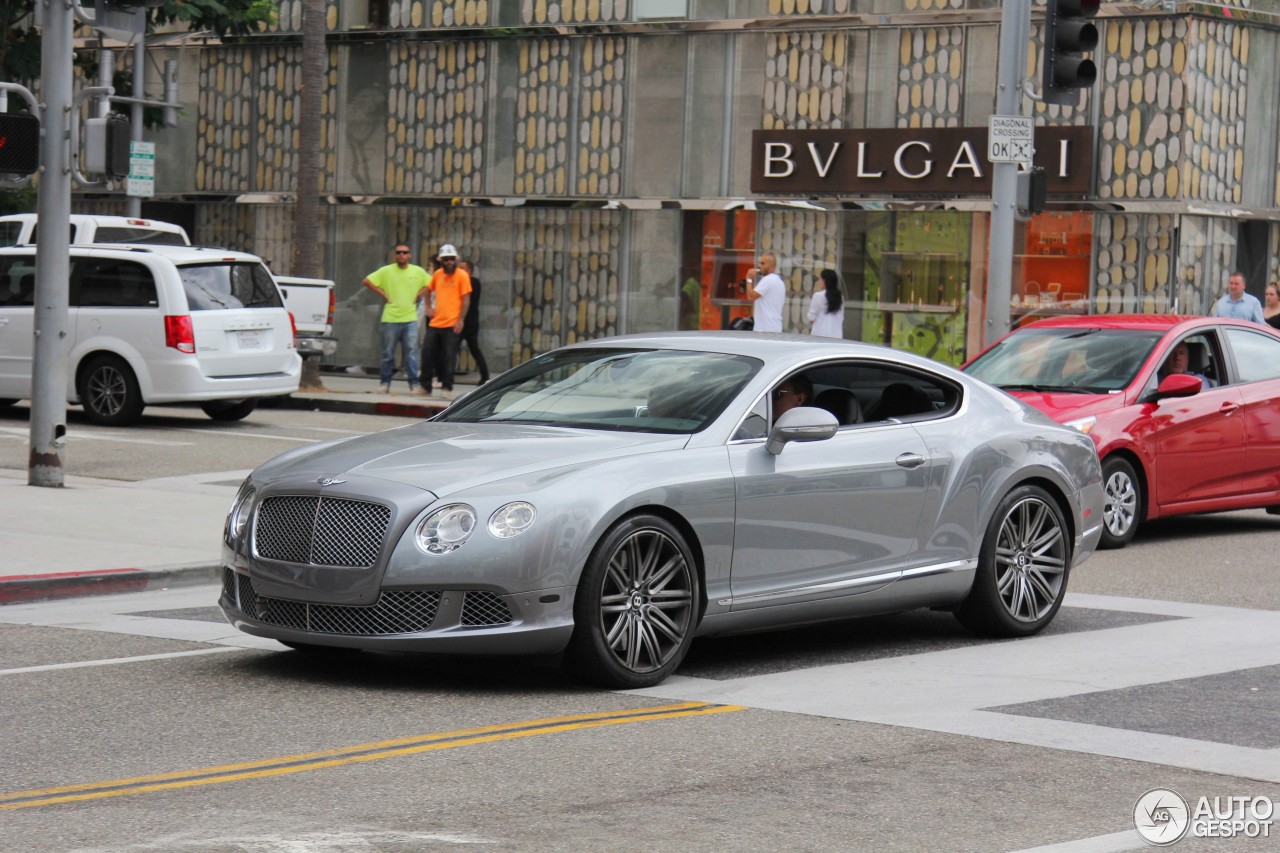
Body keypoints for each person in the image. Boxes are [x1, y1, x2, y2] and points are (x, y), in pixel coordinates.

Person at [361, 243, 429, 395]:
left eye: (405, 252)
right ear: (395, 255)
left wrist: (418, 294)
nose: (401, 255)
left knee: (412, 352)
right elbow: (367, 281)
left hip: (410, 317)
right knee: (388, 353)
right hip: (390, 318)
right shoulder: (387, 271)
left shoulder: (417, 271)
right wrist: (384, 294)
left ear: (410, 255)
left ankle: (414, 384)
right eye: (398, 252)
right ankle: (385, 383)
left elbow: (432, 284)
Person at [420, 243, 472, 399]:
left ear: (455, 260)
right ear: (440, 260)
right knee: (427, 352)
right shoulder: (438, 274)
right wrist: (429, 308)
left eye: (451, 259)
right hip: (436, 322)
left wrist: (461, 320)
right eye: (446, 259)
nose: (449, 262)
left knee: (449, 355)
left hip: (452, 323)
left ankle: (447, 387)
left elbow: (466, 299)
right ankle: (425, 386)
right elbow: (427, 291)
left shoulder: (462, 276)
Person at [458, 260, 490, 385]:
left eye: (462, 268)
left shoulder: (474, 282)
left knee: (474, 349)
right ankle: (445, 377)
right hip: (460, 322)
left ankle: (484, 375)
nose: (459, 271)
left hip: (469, 323)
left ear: (469, 271)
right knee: (450, 350)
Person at [745, 252, 785, 333]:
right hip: (774, 327)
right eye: (759, 263)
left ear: (771, 266)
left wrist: (749, 279)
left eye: (763, 263)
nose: (759, 266)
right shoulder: (779, 282)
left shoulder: (768, 279)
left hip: (765, 329)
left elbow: (751, 296)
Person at [807, 268, 845, 338]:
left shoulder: (818, 296)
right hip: (837, 336)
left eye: (820, 279)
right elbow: (841, 318)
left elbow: (811, 318)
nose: (819, 281)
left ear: (824, 280)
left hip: (820, 336)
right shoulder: (840, 297)